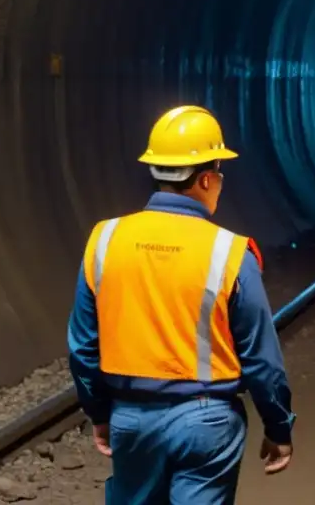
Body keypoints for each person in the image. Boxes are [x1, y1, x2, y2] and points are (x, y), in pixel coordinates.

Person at [68, 105, 296, 503]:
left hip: (131, 419)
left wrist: (100, 413)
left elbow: (84, 347)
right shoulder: (230, 253)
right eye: (221, 175)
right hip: (206, 422)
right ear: (206, 180)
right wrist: (278, 427)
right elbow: (262, 359)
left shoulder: (104, 241)